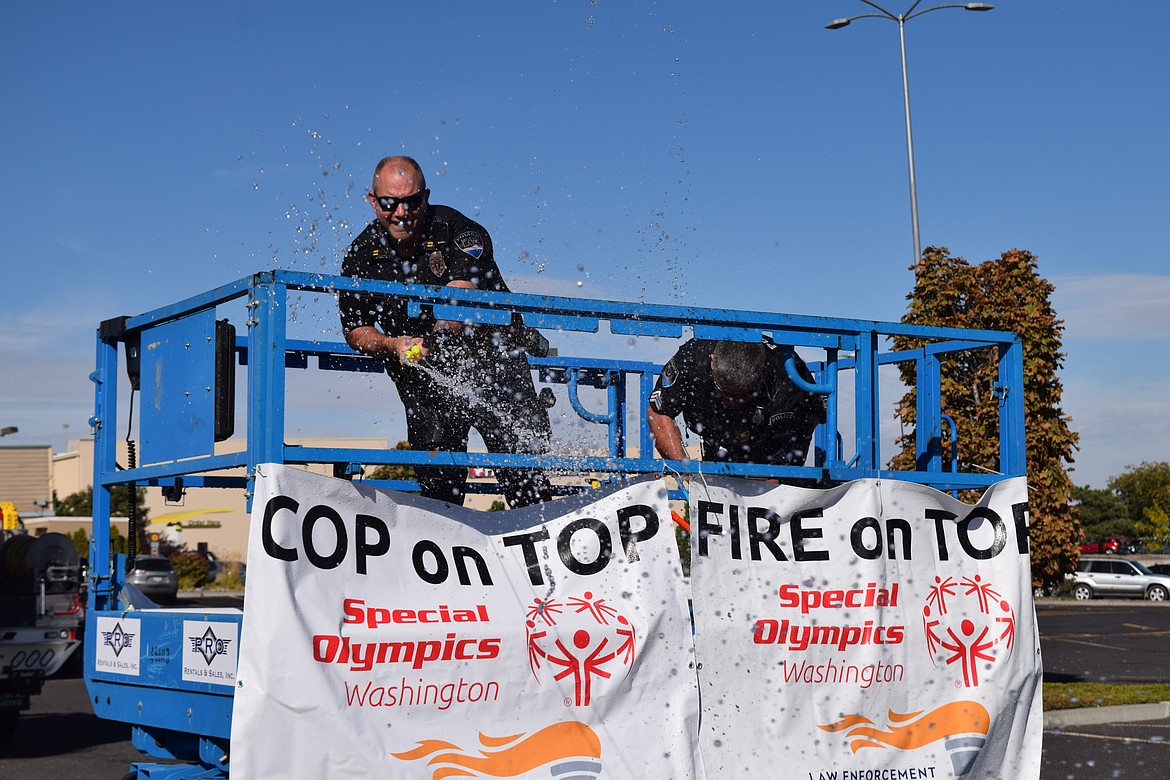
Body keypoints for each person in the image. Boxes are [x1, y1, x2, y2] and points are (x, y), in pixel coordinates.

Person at [337, 155, 554, 507]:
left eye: (412, 201)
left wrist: (429, 343)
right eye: (391, 203)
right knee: (438, 492)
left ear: (426, 196)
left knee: (523, 476)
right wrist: (393, 345)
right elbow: (356, 330)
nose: (402, 212)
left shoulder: (459, 230)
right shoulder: (359, 255)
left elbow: (459, 302)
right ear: (374, 201)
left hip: (493, 365)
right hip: (425, 377)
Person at [646, 337, 825, 471]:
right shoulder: (692, 358)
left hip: (769, 441)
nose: (731, 403)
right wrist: (683, 470)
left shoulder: (789, 376)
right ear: (712, 361)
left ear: (764, 371)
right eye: (723, 392)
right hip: (715, 436)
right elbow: (659, 413)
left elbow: (805, 426)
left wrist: (778, 478)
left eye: (743, 396)